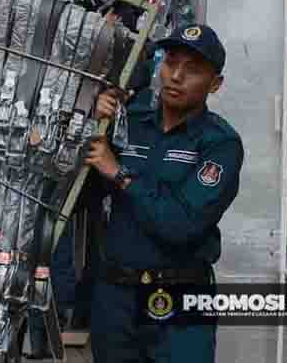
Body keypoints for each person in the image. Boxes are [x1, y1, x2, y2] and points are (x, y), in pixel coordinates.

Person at [84, 24, 244, 363]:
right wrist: (89, 118)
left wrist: (121, 172)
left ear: (215, 84)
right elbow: (81, 192)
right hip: (116, 297)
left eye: (194, 70)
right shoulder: (129, 121)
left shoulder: (219, 144)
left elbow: (181, 223)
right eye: (171, 62)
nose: (176, 76)